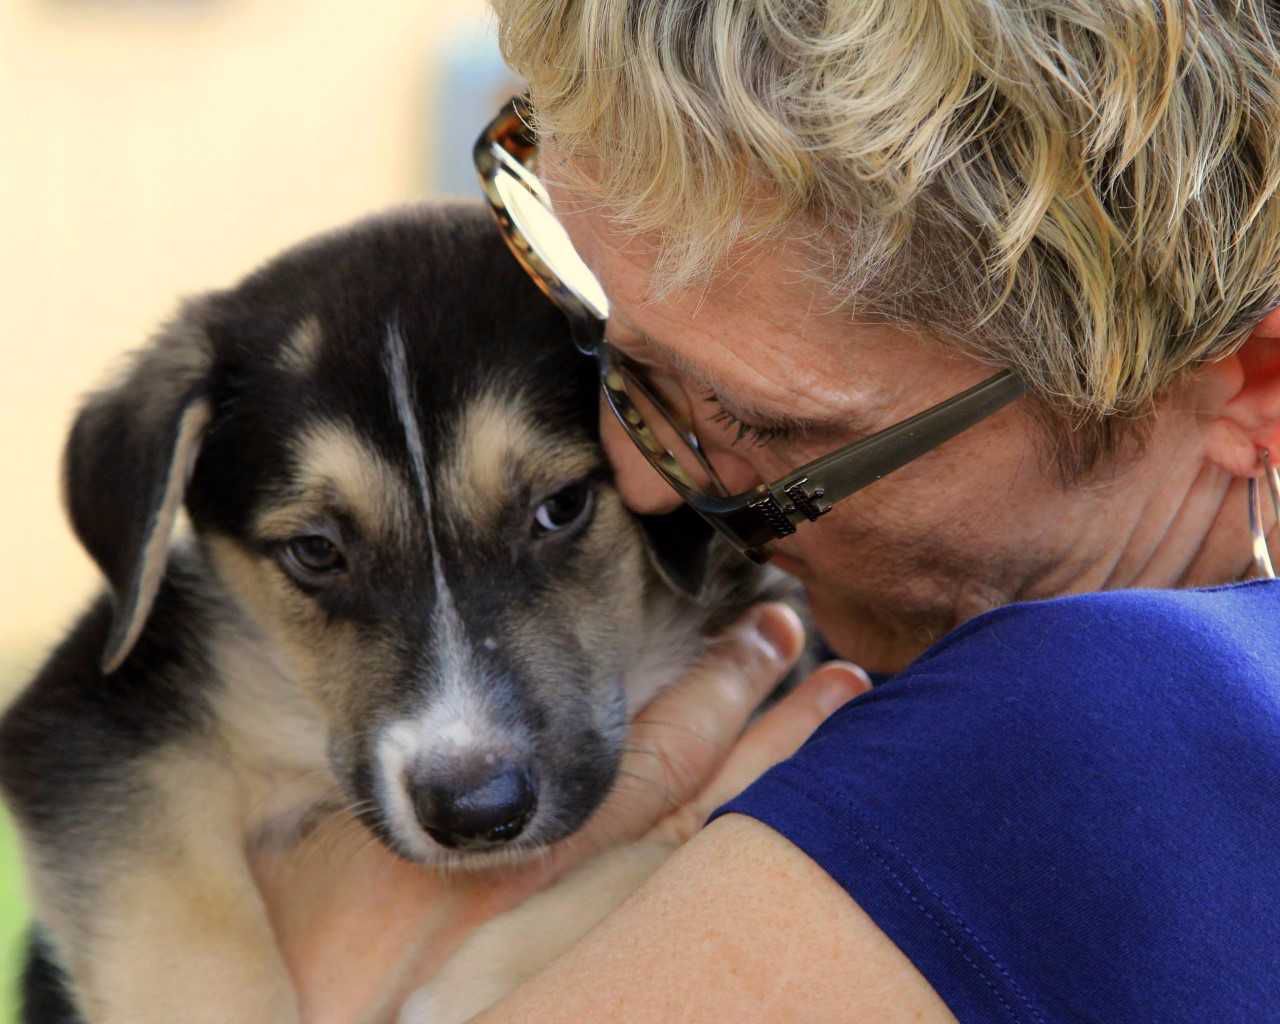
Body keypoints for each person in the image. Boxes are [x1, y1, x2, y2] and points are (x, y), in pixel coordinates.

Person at [259, 2, 1280, 1020]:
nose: (638, 478)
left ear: (1247, 381)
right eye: (593, 327)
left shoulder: (1087, 720)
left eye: (762, 427)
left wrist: (323, 978)